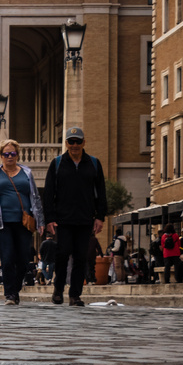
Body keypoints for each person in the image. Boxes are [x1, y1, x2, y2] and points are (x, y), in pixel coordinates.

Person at [0, 139, 44, 307]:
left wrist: (40, 221)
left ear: (18, 155)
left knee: (22, 260)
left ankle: (16, 287)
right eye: (6, 154)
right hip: (2, 223)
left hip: (23, 223)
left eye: (13, 153)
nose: (9, 157)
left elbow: (35, 198)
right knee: (7, 258)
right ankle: (10, 294)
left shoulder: (26, 173)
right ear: (1, 156)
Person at [43, 127, 107, 307]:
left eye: (78, 141)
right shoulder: (57, 164)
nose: (75, 145)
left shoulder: (94, 163)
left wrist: (100, 216)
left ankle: (75, 295)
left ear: (84, 143)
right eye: (71, 141)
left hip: (85, 219)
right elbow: (48, 193)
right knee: (62, 254)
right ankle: (58, 289)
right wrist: (49, 218)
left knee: (81, 257)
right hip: (63, 220)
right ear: (66, 144)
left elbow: (101, 192)